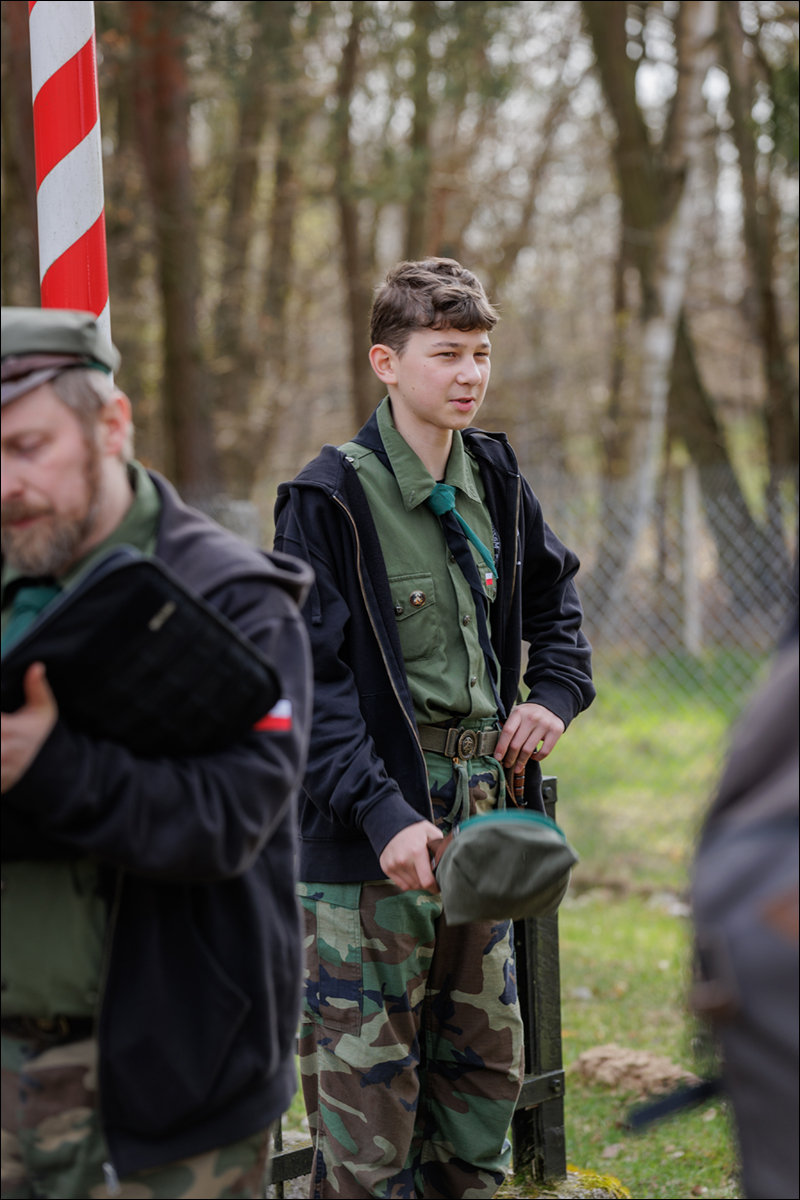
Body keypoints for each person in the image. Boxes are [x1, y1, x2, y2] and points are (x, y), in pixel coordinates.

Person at [274, 258, 595, 1199]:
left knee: (479, 1087)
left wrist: (554, 693)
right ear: (386, 361)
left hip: (482, 832)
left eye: (481, 354)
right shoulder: (327, 501)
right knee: (369, 1119)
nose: (469, 374)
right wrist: (383, 815)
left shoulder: (495, 476)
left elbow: (556, 605)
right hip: (370, 845)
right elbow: (309, 686)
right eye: (446, 353)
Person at [0, 307, 313, 1200]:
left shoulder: (236, 599)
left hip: (172, 1095)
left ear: (112, 425)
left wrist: (53, 766)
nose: (5, 484)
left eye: (27, 447)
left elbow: (232, 818)